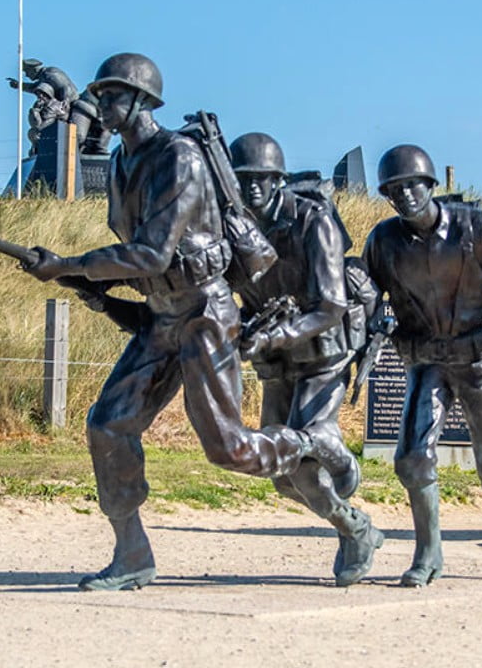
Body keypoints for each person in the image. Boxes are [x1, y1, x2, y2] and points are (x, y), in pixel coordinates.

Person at [24, 54, 349, 591]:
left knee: (230, 450)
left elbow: (152, 253)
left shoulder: (180, 157)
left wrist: (69, 264)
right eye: (99, 95)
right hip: (161, 314)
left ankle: (309, 445)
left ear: (143, 101)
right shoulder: (121, 163)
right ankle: (132, 553)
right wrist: (82, 280)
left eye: (112, 95)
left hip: (204, 314)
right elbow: (138, 256)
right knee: (108, 425)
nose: (100, 104)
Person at [361, 144, 482, 585]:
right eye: (394, 189)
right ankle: (429, 552)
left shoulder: (476, 228)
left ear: (430, 184)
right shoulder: (383, 242)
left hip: (481, 360)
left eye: (411, 185)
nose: (404, 195)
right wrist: (371, 322)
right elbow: (365, 298)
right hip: (426, 361)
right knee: (412, 457)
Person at [230, 132, 384, 584]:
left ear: (278, 178)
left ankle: (341, 470)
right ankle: (355, 522)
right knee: (280, 474)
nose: (253, 186)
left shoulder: (312, 222)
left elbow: (331, 305)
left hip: (322, 350)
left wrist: (273, 334)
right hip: (276, 358)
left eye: (262, 177)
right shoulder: (233, 226)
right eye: (244, 178)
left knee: (300, 455)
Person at [8, 58, 110, 154]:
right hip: (63, 106)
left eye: (27, 72)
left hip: (72, 104)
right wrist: (19, 85)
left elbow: (65, 87)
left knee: (76, 136)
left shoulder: (50, 74)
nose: (26, 75)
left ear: (33, 69)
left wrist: (65, 100)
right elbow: (35, 87)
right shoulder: (44, 77)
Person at [26, 82, 69, 156]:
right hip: (41, 135)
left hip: (53, 135)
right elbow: (35, 123)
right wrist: (35, 110)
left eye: (42, 95)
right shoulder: (40, 106)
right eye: (38, 95)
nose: (40, 97)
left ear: (48, 94)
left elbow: (62, 117)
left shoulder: (57, 105)